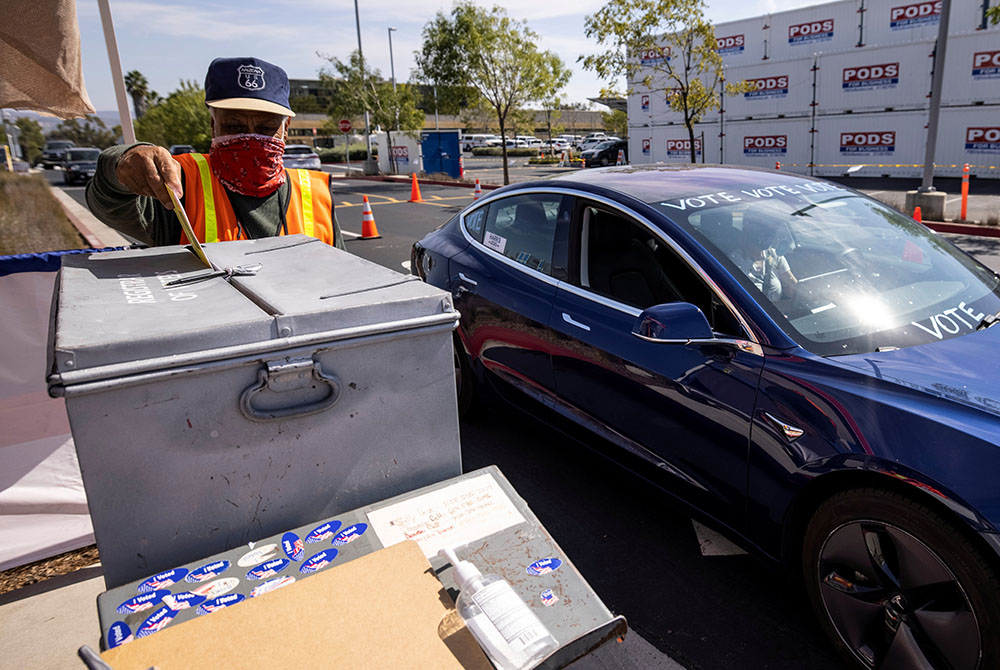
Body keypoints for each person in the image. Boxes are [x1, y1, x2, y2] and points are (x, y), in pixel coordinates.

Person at [86, 57, 344, 249]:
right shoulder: (179, 183)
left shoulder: (314, 193)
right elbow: (108, 202)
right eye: (234, 126)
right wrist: (124, 160)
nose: (250, 137)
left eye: (266, 128)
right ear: (213, 125)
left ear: (286, 129)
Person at [730, 211, 797, 301]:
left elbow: (793, 288)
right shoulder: (734, 262)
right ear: (749, 229)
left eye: (771, 230)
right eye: (764, 228)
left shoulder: (774, 255)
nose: (769, 234)